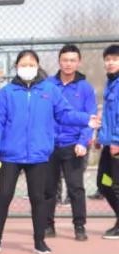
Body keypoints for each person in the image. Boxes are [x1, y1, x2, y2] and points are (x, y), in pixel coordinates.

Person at [0, 49, 99, 254]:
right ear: (16, 67)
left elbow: (65, 114)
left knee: (38, 198)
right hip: (10, 155)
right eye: (23, 64)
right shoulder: (7, 93)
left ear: (37, 66)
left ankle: (39, 241)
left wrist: (85, 120)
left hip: (38, 155)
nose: (27, 68)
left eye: (31, 64)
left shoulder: (49, 90)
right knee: (4, 196)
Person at [44, 45, 96, 241]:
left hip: (74, 145)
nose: (68, 64)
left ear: (78, 62)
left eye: (72, 60)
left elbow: (90, 118)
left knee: (75, 188)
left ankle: (79, 227)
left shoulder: (85, 88)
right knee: (48, 188)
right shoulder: (48, 85)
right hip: (50, 145)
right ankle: (48, 225)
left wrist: (83, 141)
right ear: (59, 61)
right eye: (65, 60)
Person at [96, 44, 119, 238]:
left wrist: (117, 142)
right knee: (104, 183)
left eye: (115, 59)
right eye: (108, 59)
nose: (110, 63)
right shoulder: (111, 83)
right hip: (108, 143)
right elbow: (108, 116)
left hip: (116, 145)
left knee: (116, 185)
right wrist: (100, 137)